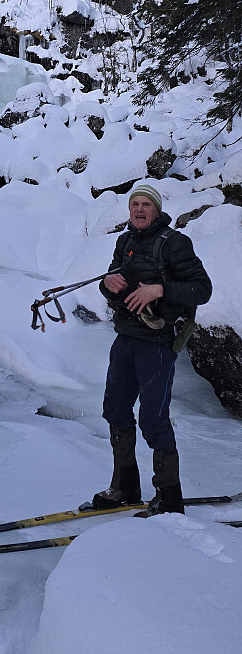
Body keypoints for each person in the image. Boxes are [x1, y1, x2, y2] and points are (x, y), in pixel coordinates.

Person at [85, 183, 212, 517]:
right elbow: (113, 282)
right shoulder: (124, 242)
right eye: (134, 205)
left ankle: (169, 499)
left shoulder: (175, 243)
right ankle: (125, 487)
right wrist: (107, 284)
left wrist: (159, 289)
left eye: (146, 205)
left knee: (153, 419)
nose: (139, 210)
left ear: (156, 210)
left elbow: (202, 289)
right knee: (115, 409)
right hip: (125, 338)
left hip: (157, 344)